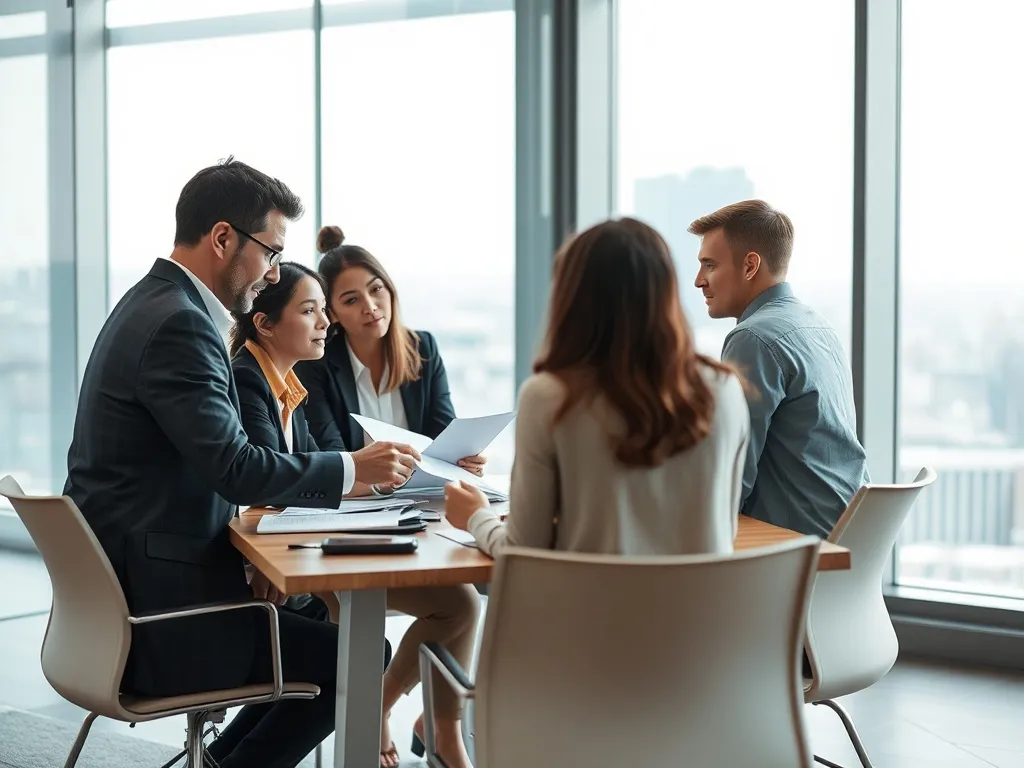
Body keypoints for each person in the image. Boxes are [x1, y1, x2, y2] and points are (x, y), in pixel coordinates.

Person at [63, 158, 420, 768]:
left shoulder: (150, 303)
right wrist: (352, 468)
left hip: (127, 599)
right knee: (358, 657)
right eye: (271, 253)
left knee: (324, 630)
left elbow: (205, 463)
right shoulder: (181, 323)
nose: (274, 272)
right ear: (224, 238)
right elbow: (235, 465)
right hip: (162, 619)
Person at [445, 217, 751, 561]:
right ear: (667, 292)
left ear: (572, 297)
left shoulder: (548, 396)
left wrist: (476, 516)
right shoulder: (724, 390)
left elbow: (523, 552)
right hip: (704, 614)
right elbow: (723, 529)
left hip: (590, 614)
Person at [295, 226, 481, 768]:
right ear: (331, 313)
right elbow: (334, 455)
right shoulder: (317, 367)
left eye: (377, 290)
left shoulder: (422, 350)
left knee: (463, 603)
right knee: (458, 605)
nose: (371, 306)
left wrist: (463, 458)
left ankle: (425, 726)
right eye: (351, 299)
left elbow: (445, 438)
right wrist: (391, 472)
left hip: (419, 525)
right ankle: (408, 720)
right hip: (349, 533)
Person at [689, 199, 869, 537]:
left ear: (750, 266)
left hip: (789, 549)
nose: (699, 280)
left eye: (710, 265)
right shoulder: (818, 327)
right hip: (843, 536)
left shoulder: (753, 337)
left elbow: (733, 475)